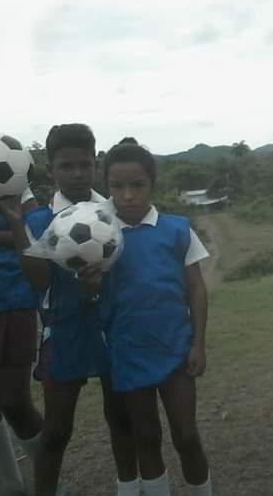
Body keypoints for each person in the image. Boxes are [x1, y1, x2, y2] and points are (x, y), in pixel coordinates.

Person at [0, 124, 138, 496]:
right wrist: (16, 228)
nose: (76, 173)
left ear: (96, 164)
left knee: (121, 417)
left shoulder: (114, 213)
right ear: (50, 170)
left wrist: (98, 288)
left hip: (112, 328)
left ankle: (130, 488)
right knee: (57, 430)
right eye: (66, 166)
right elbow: (39, 282)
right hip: (64, 330)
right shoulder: (39, 220)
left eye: (84, 164)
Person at [98, 139, 212, 496]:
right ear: (107, 187)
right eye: (117, 186)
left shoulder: (177, 228)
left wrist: (198, 342)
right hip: (128, 351)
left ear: (152, 184)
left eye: (137, 185)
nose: (127, 195)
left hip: (175, 349)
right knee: (145, 436)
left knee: (186, 434)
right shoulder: (99, 234)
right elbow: (92, 293)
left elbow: (195, 288)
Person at [0, 187, 43, 494]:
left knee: (15, 403)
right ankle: (12, 485)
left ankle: (51, 484)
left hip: (9, 300)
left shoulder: (3, 168)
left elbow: (38, 236)